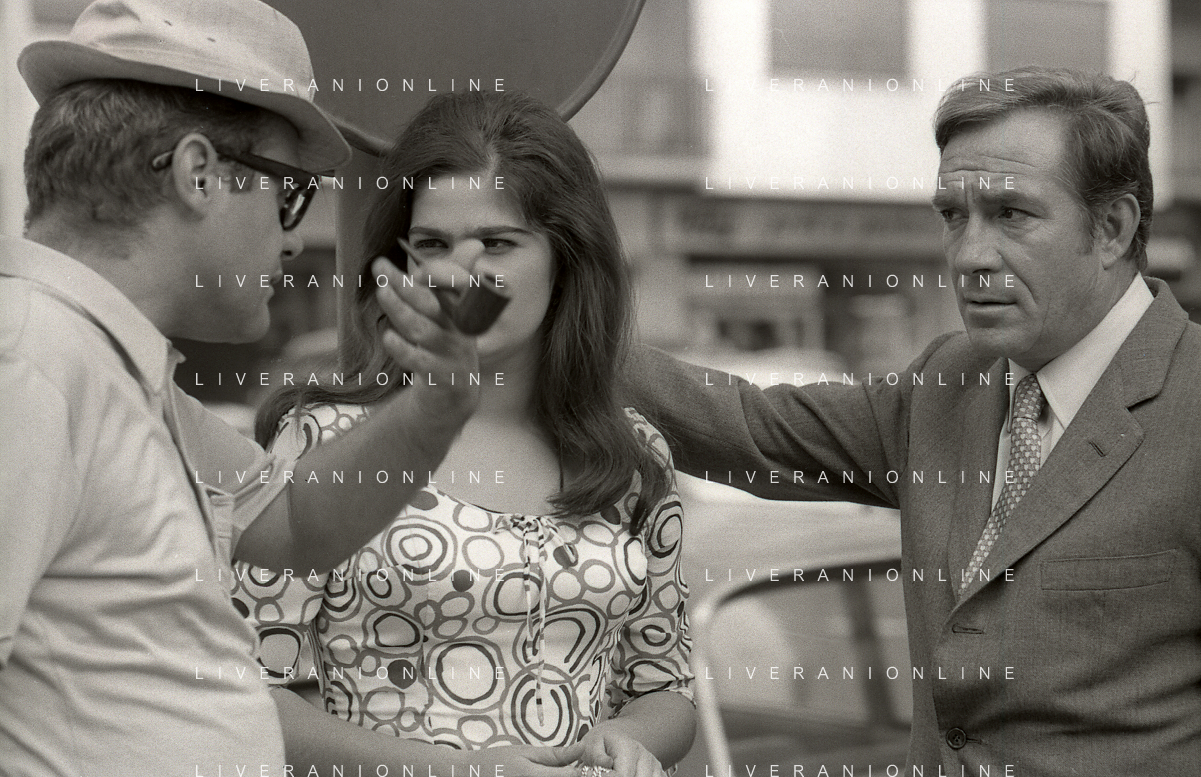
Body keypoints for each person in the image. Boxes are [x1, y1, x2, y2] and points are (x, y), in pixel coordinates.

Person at [625, 67, 1201, 775]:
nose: (970, 255)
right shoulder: (948, 383)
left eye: (1011, 214)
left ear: (1111, 227)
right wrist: (560, 327)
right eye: (953, 216)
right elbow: (748, 428)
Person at [0, 2, 490, 774]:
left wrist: (436, 406)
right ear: (198, 175)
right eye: (289, 191)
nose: (293, 237)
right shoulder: (30, 362)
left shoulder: (99, 362)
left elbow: (295, 522)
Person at [232, 90, 696, 777]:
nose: (458, 273)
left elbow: (666, 684)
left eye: (497, 242)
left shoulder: (634, 455)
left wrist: (629, 741)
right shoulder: (326, 436)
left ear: (566, 257)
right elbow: (250, 695)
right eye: (432, 244)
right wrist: (466, 770)